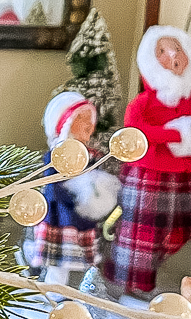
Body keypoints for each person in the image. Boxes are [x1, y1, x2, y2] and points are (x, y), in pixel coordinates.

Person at [105, 25, 191, 296]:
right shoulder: (144, 102)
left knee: (187, 220)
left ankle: (146, 268)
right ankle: (136, 285)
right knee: (142, 234)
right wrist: (175, 134)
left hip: (185, 175)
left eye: (176, 47)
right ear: (151, 59)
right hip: (149, 173)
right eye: (161, 50)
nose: (172, 54)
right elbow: (134, 129)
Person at [22, 91, 119, 285]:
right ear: (66, 122)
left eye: (89, 119)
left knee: (74, 257)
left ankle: (69, 285)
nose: (88, 124)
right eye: (81, 118)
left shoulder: (89, 156)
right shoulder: (57, 156)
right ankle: (54, 288)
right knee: (59, 262)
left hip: (79, 217)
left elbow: (91, 178)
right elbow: (52, 187)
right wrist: (74, 197)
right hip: (60, 217)